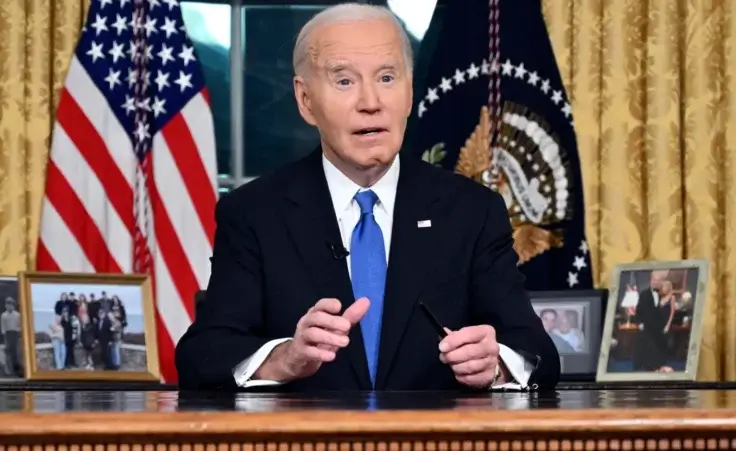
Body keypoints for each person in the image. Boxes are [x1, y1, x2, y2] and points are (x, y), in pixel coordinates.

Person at [175, 2, 559, 392]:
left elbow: (536, 352)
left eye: (388, 78)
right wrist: (286, 358)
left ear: (410, 93)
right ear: (305, 100)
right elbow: (204, 353)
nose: (370, 102)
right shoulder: (254, 213)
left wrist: (496, 366)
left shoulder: (472, 211)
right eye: (344, 81)